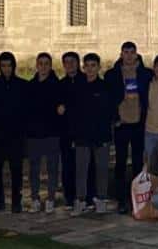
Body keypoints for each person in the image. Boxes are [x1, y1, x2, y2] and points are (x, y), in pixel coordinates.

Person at [104, 41, 153, 214]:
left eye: (132, 52)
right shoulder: (112, 74)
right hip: (121, 124)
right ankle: (121, 199)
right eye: (126, 52)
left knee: (139, 162)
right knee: (120, 162)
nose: (129, 55)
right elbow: (108, 98)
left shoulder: (146, 73)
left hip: (139, 123)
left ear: (136, 53)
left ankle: (137, 198)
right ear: (121, 53)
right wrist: (114, 118)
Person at [71, 52, 115, 214]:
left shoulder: (104, 87)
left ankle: (101, 199)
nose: (90, 69)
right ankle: (81, 200)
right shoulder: (78, 87)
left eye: (93, 66)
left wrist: (106, 135)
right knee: (81, 169)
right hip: (82, 135)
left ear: (98, 67)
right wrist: (75, 135)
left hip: (100, 135)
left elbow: (109, 112)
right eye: (87, 66)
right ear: (83, 68)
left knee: (102, 169)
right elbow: (74, 113)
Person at [0, 51, 28, 213]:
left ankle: (16, 201)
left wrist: (21, 127)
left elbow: (26, 110)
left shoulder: (22, 85)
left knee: (16, 169)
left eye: (9, 65)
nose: (6, 69)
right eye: (3, 65)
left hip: (16, 135)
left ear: (13, 66)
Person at [58, 51, 95, 211]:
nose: (69, 65)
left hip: (84, 130)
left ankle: (88, 197)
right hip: (66, 131)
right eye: (66, 62)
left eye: (72, 61)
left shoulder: (85, 80)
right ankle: (69, 197)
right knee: (68, 165)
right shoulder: (61, 83)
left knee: (87, 165)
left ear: (78, 63)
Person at [26, 52, 62, 213]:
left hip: (52, 133)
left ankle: (51, 198)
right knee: (33, 168)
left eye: (46, 63)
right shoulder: (31, 85)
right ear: (37, 65)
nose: (43, 66)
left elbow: (61, 107)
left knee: (52, 167)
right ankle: (34, 198)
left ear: (50, 65)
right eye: (40, 63)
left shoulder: (56, 85)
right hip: (34, 134)